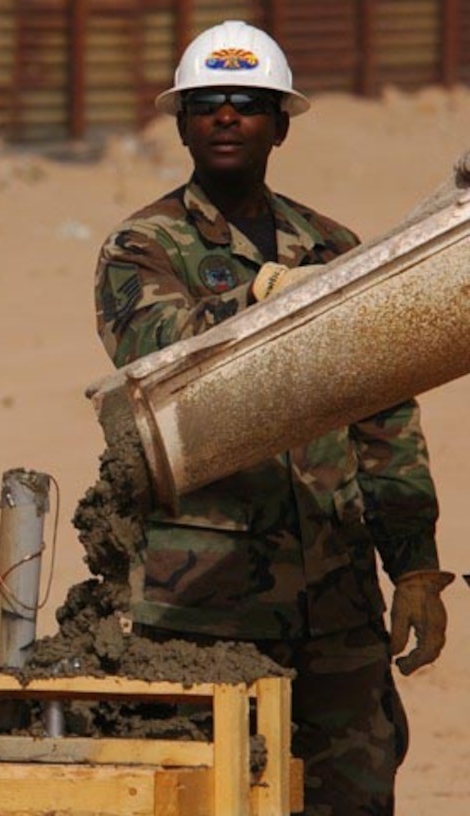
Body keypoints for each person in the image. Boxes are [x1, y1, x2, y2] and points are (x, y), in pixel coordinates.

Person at [92, 20, 454, 816]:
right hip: (202, 610)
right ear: (183, 122)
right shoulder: (142, 246)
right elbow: (151, 353)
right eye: (209, 101)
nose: (227, 115)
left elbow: (385, 416)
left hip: (336, 606)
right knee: (210, 799)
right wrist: (255, 302)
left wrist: (416, 567)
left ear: (280, 124)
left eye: (248, 102)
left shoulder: (334, 249)